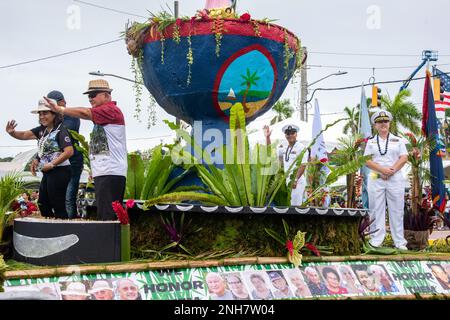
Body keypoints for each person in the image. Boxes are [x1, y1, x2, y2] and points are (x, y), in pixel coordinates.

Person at [44, 79, 127, 220]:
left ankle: (107, 242)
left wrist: (59, 109)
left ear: (107, 95)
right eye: (89, 95)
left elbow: (84, 112)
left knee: (107, 218)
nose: (90, 98)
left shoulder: (111, 110)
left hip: (111, 172)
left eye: (94, 94)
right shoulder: (102, 114)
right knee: (105, 216)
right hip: (104, 172)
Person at [6, 99, 74, 219]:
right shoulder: (41, 130)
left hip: (60, 170)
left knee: (57, 203)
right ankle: (50, 226)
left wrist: (52, 164)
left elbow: (69, 151)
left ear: (54, 114)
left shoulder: (61, 130)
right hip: (48, 171)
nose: (42, 116)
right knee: (43, 203)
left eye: (45, 113)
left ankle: (62, 229)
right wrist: (12, 133)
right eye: (40, 114)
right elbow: (24, 135)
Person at [363, 110, 408, 250]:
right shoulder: (370, 142)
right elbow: (366, 161)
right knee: (376, 209)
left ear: (389, 123)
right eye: (380, 122)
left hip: (394, 177)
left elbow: (404, 157)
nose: (383, 124)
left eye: (385, 121)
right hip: (376, 177)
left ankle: (399, 242)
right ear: (375, 125)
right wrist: (382, 170)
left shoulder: (398, 140)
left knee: (397, 210)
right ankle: (376, 239)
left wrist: (391, 170)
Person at [46, 91, 84, 219]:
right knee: (55, 197)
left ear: (61, 102)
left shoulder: (71, 116)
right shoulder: (51, 119)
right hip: (56, 165)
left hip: (72, 162)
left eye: (52, 103)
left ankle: (70, 224)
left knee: (68, 197)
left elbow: (63, 133)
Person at [264, 124, 308, 206]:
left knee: (295, 206)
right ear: (285, 135)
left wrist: (295, 180)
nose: (290, 135)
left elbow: (303, 165)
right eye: (288, 133)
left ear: (296, 134)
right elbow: (270, 151)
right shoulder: (285, 148)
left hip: (297, 181)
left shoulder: (301, 147)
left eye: (292, 133)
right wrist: (267, 137)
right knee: (289, 206)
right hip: (287, 181)